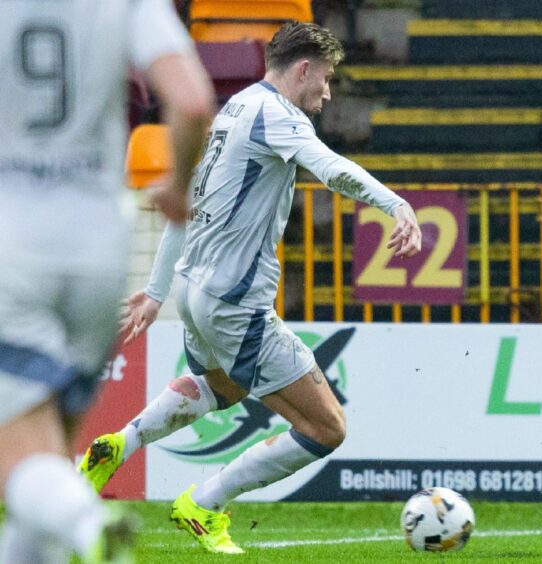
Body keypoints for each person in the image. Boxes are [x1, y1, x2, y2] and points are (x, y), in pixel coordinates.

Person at [79, 22, 423, 555]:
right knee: (327, 428)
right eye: (327, 79)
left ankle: (120, 443)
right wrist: (396, 204)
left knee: (223, 387)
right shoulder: (277, 116)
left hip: (193, 291)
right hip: (235, 303)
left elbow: (186, 202)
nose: (328, 93)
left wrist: (155, 290)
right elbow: (331, 169)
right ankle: (206, 503)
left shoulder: (233, 109)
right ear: (303, 69)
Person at [0, 1, 214, 563]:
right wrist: (176, 186)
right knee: (48, 457)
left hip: (12, 246)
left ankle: (90, 524)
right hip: (100, 247)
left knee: (19, 460)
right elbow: (192, 102)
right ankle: (76, 522)